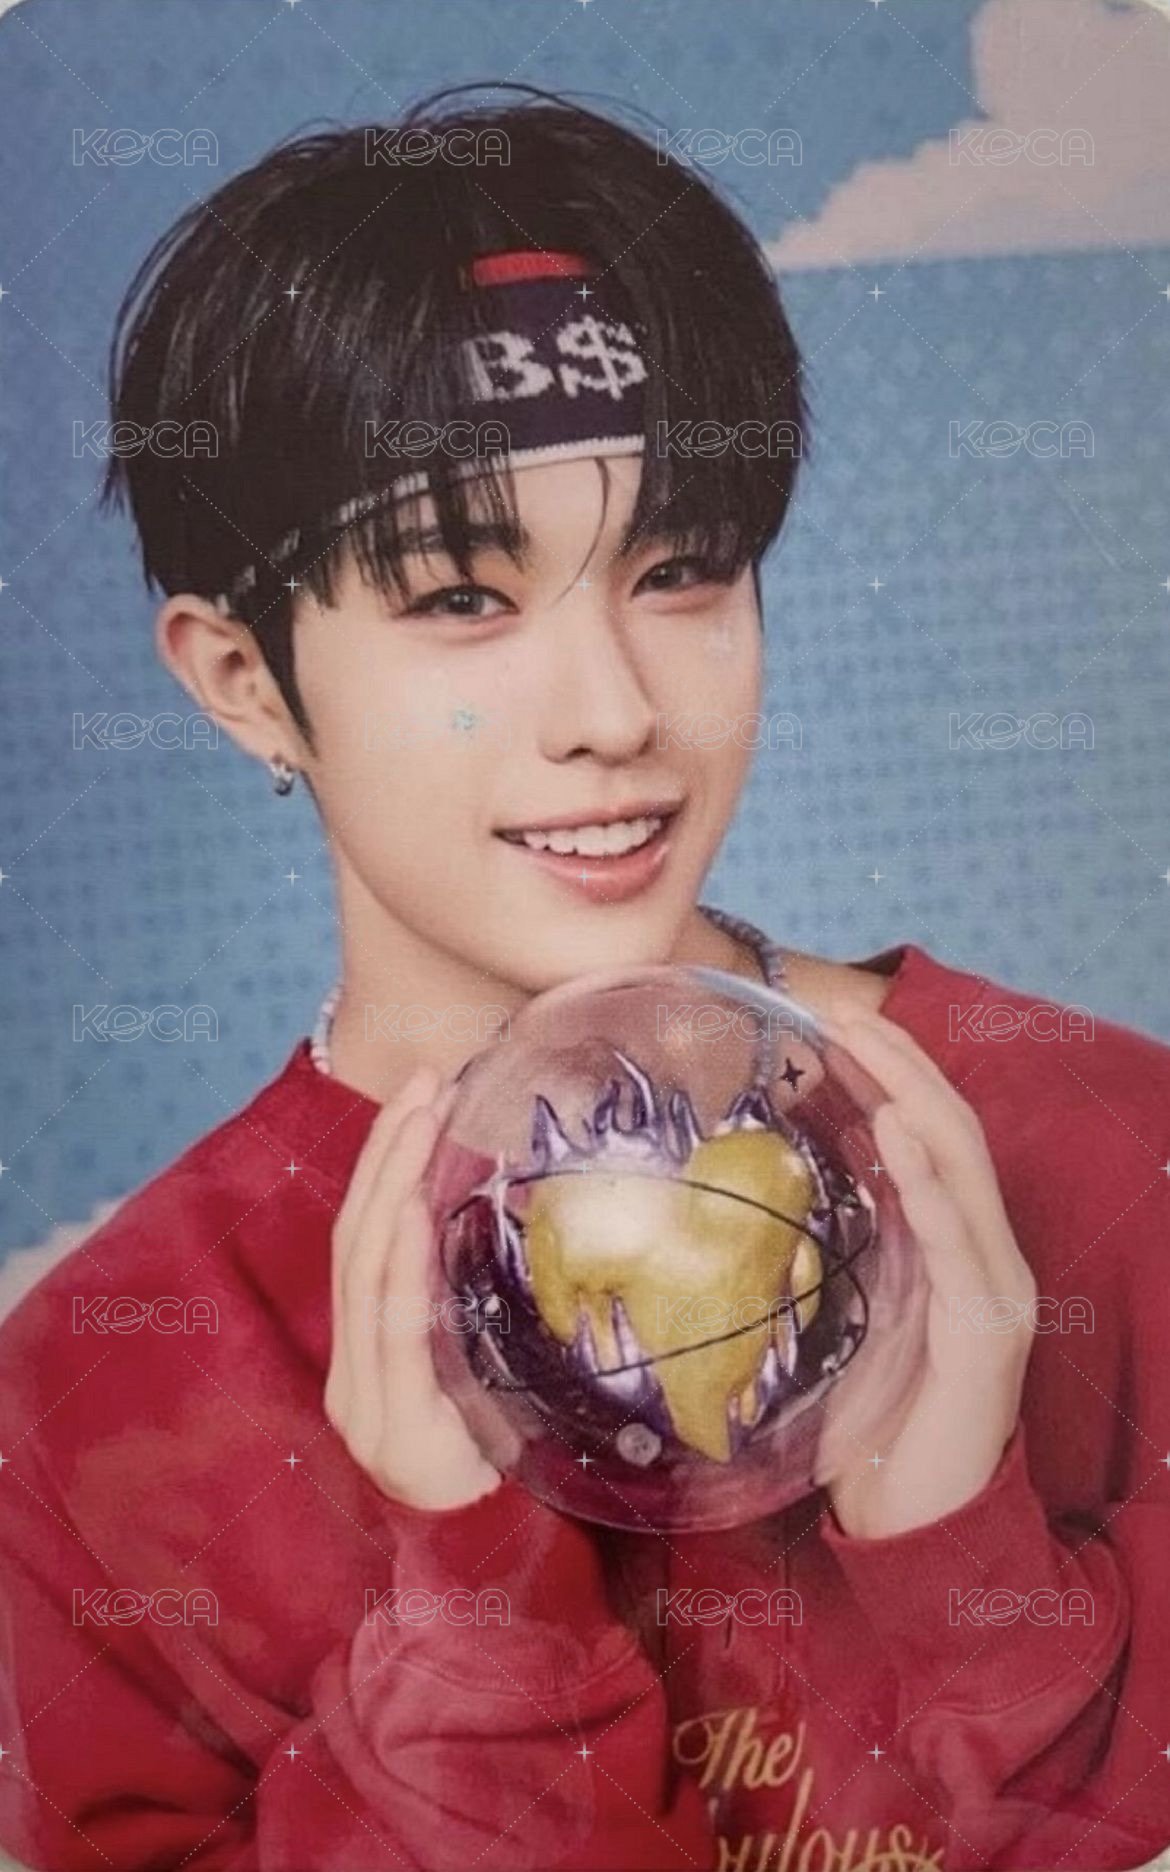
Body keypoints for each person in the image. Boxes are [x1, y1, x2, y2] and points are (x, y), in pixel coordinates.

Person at [1, 84, 1168, 1872]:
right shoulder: (88, 1419)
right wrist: (474, 1628)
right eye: (461, 598)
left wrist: (963, 1570)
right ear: (242, 681)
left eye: (680, 571)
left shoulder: (1106, 1148)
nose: (615, 712)